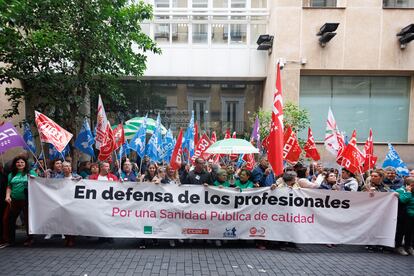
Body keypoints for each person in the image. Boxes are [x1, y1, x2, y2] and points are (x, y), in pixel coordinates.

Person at [0, 156, 37, 248]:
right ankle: (9, 240)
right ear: (15, 164)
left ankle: (30, 238)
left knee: (28, 220)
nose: (20, 164)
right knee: (7, 219)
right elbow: (9, 186)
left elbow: (38, 183)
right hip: (13, 200)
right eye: (18, 162)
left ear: (25, 164)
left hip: (27, 200)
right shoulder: (11, 174)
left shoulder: (30, 172)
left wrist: (36, 177)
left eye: (22, 162)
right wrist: (7, 196)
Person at [395, 177, 414, 256]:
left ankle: (408, 246)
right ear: (407, 185)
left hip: (412, 215)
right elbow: (402, 200)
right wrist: (408, 192)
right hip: (404, 215)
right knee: (401, 232)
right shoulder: (400, 190)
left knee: (410, 232)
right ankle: (399, 246)